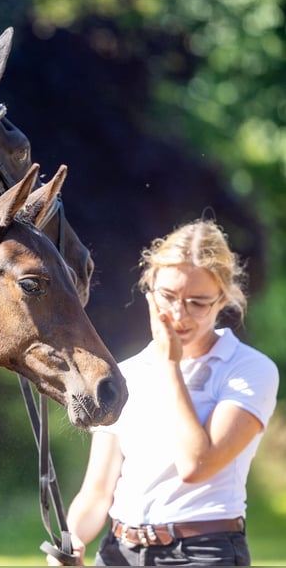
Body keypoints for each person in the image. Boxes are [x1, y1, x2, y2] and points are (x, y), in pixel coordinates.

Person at [48, 219, 279, 566]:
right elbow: (97, 492)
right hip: (119, 551)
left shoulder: (248, 369)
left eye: (197, 303)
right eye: (168, 296)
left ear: (222, 301)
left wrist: (170, 366)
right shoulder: (128, 373)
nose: (178, 314)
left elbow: (196, 465)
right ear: (149, 290)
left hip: (203, 551)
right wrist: (73, 539)